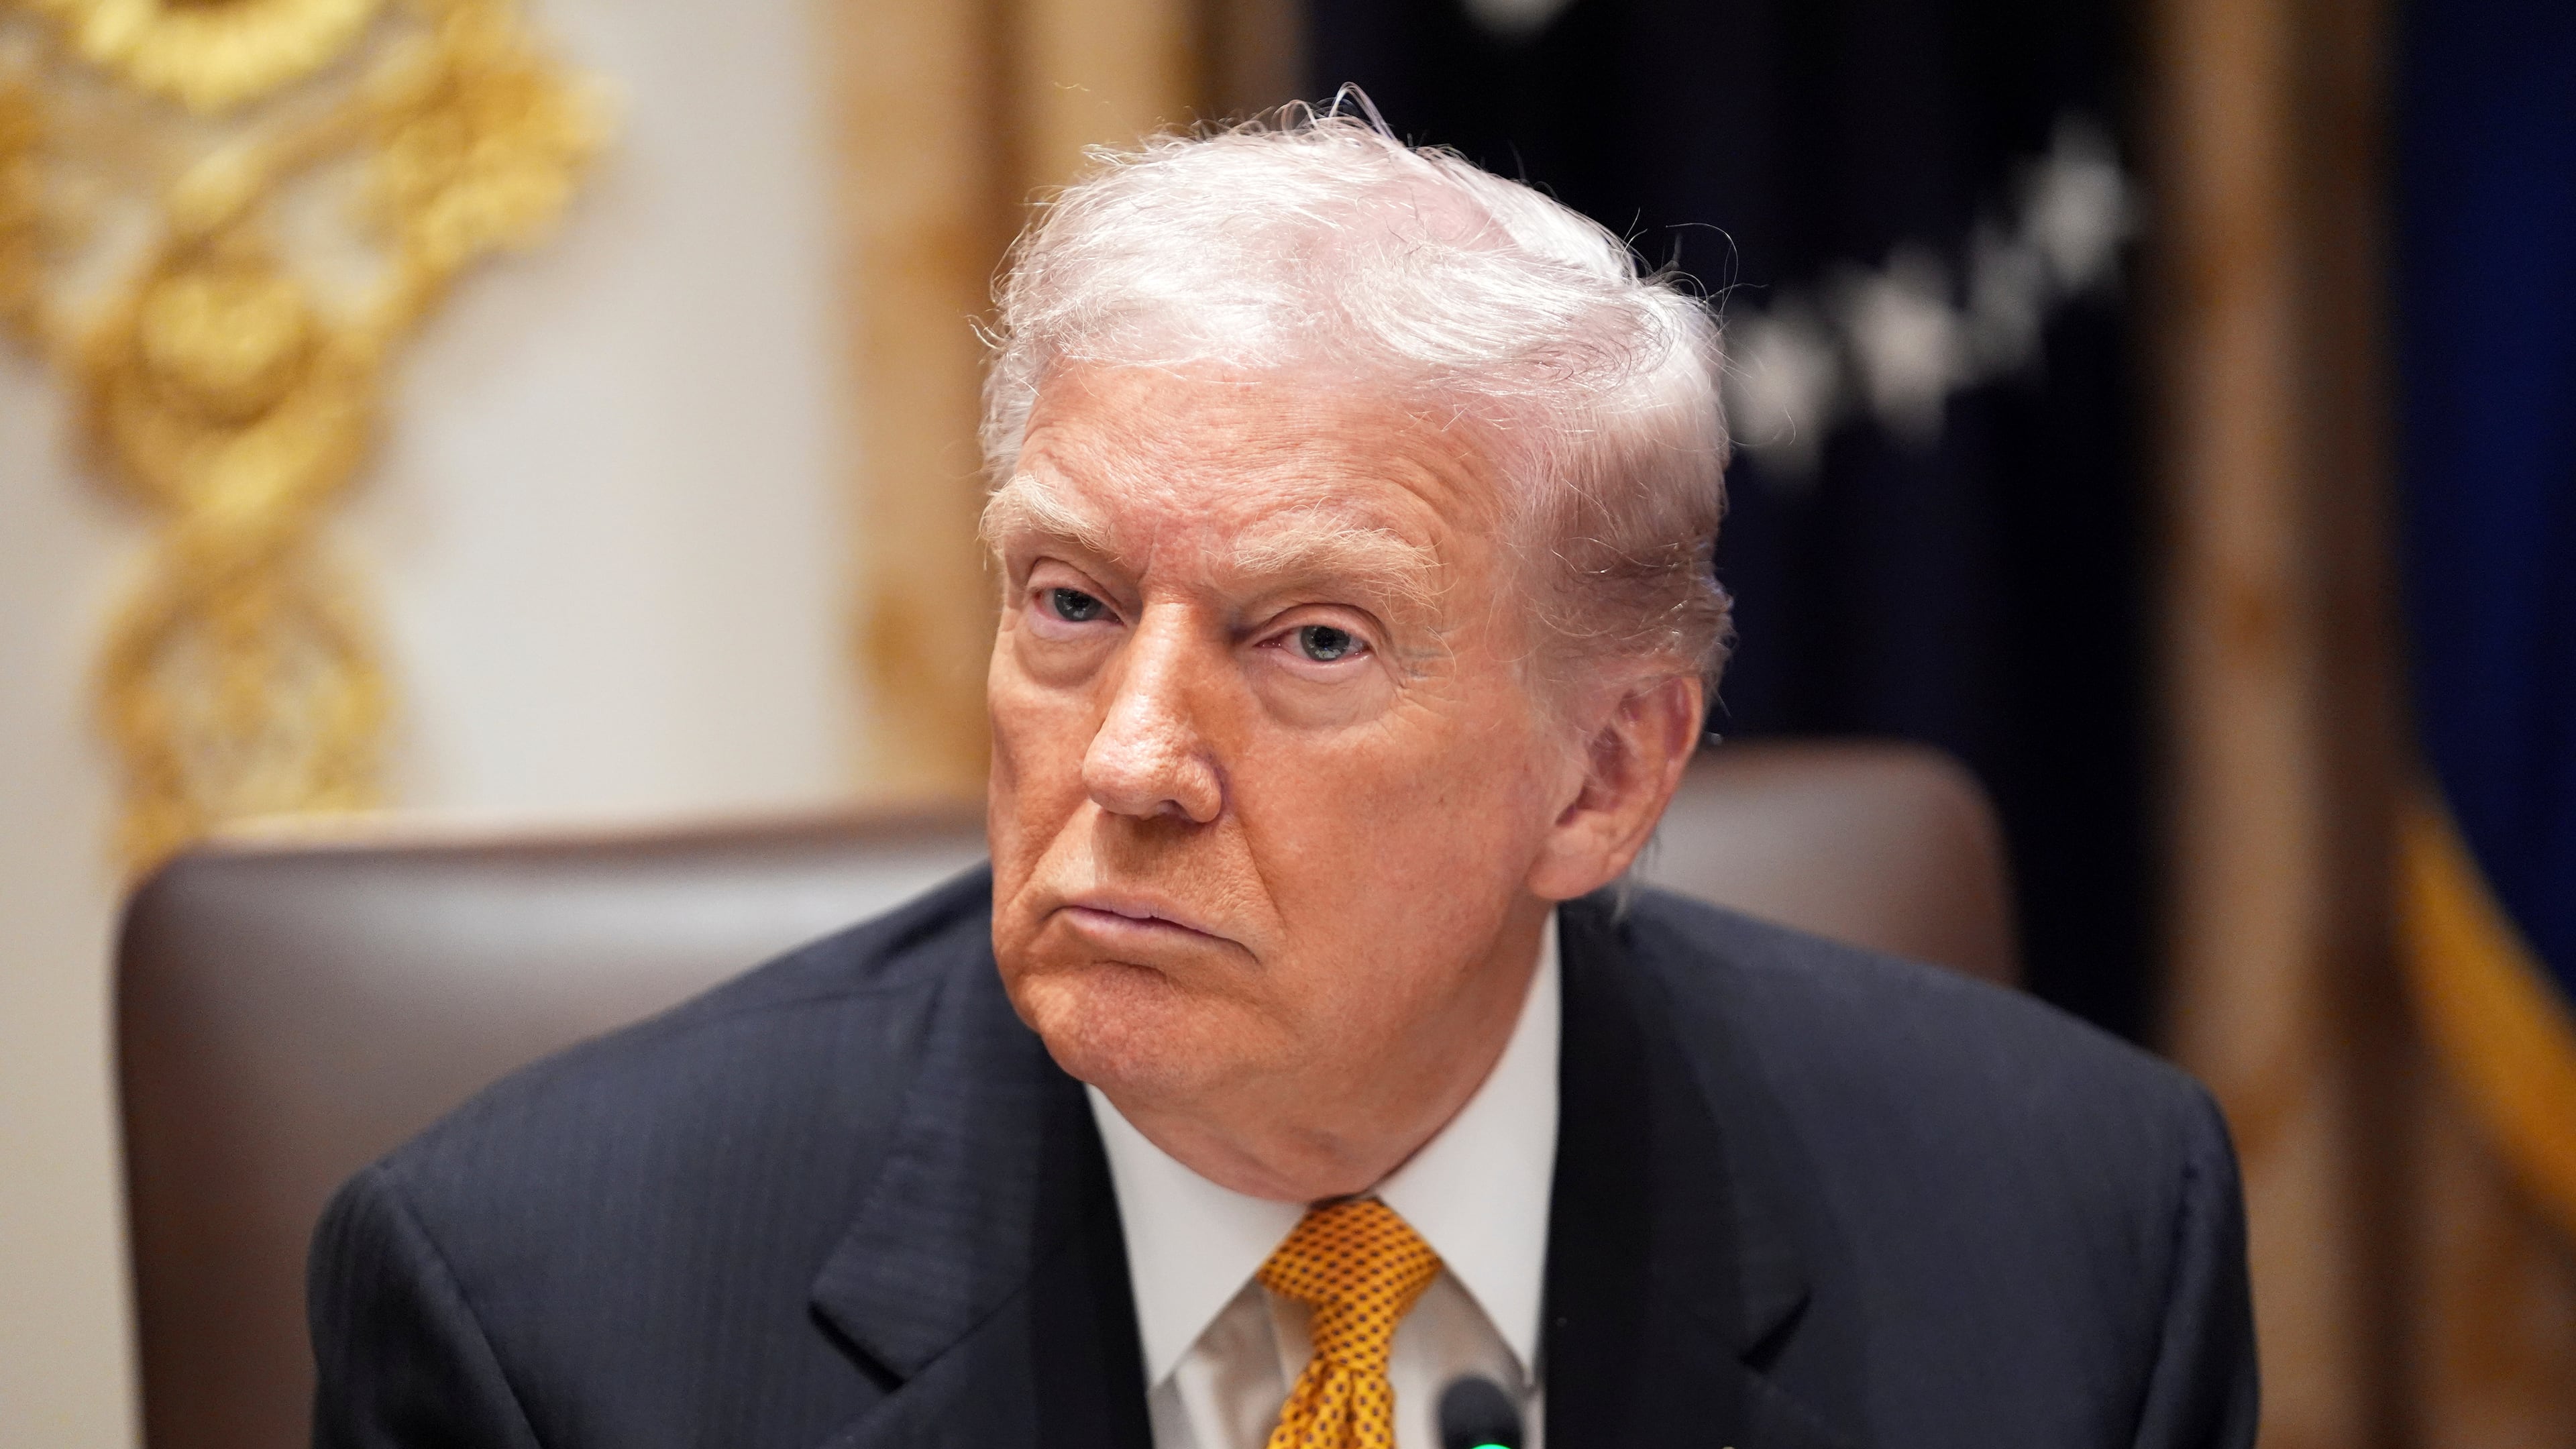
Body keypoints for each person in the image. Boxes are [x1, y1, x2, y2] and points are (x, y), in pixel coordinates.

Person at [309, 107, 2257, 1449]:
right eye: (1070, 601)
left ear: (1605, 771)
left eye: (1311, 639)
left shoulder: (2073, 1244)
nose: (1135, 758)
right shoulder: (546, 1317)